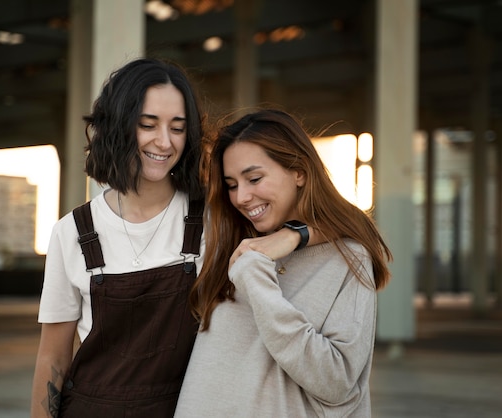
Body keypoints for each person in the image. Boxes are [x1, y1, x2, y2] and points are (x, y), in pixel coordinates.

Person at [175, 108, 393, 417]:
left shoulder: (346, 258)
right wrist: (295, 236)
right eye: (232, 184)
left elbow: (337, 381)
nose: (241, 197)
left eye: (254, 178)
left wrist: (259, 271)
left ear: (299, 171)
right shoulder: (228, 243)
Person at [29, 57, 208, 418]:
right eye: (148, 124)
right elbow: (53, 356)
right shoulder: (72, 232)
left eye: (177, 127)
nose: (164, 141)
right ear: (119, 126)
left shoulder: (211, 221)